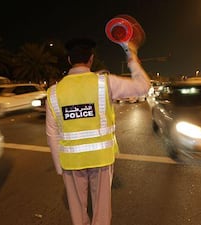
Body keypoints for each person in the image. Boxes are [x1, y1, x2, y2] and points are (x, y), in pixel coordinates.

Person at [46, 37, 150, 225]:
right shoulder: (105, 83)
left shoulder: (53, 92)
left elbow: (51, 132)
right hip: (101, 159)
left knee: (77, 211)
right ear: (91, 59)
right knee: (102, 211)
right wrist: (131, 56)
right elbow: (143, 86)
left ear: (69, 60)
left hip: (71, 161)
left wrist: (59, 166)